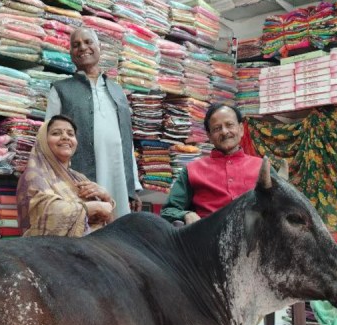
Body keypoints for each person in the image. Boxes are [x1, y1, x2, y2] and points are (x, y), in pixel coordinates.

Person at [45, 27, 142, 219]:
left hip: (118, 179)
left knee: (119, 227)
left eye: (88, 42)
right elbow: (48, 140)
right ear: (71, 53)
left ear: (99, 47)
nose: (83, 47)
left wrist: (133, 187)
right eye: (76, 45)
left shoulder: (117, 91)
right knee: (89, 228)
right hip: (79, 178)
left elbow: (127, 142)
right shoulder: (60, 90)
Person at [161, 103, 264, 225]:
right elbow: (168, 211)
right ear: (209, 136)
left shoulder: (262, 168)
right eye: (217, 128)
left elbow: (280, 206)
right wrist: (186, 215)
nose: (224, 132)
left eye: (229, 125)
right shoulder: (192, 171)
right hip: (208, 235)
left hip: (255, 235)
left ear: (241, 129)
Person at [17, 114, 115, 237]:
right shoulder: (34, 176)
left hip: (97, 244)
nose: (65, 137)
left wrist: (106, 198)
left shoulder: (79, 178)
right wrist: (93, 207)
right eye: (56, 133)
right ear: (43, 141)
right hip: (54, 248)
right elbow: (46, 216)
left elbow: (111, 224)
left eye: (70, 134)